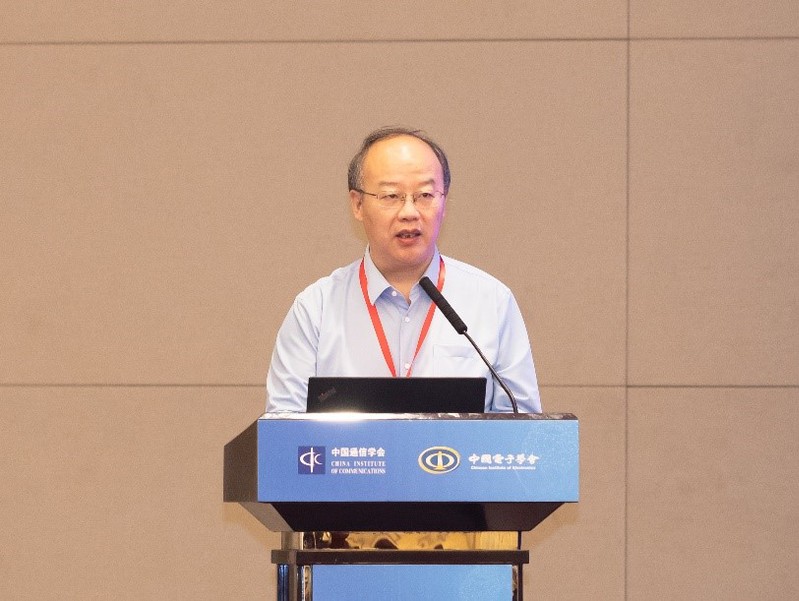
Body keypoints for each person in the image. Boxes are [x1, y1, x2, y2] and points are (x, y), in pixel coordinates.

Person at [266, 126, 541, 414]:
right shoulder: (316, 310)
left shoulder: (491, 301)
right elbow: (282, 427)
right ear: (358, 204)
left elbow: (523, 426)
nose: (409, 212)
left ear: (444, 202)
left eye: (425, 195)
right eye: (391, 196)